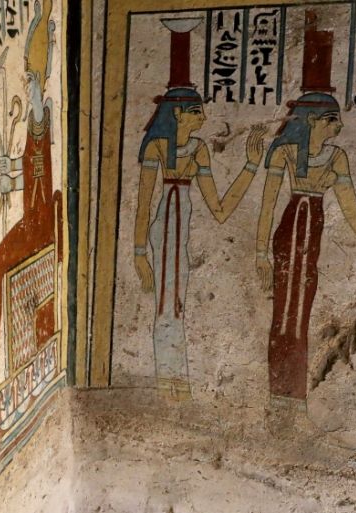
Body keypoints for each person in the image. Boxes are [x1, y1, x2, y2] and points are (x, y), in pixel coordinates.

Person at [256, 91, 356, 402]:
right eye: (333, 120)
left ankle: (292, 399)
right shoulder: (285, 153)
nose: (340, 126)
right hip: (287, 238)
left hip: (311, 243)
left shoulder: (337, 157)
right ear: (312, 121)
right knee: (283, 316)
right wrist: (260, 254)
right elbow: (267, 205)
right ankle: (280, 398)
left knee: (300, 318)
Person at [0, 0, 62, 416]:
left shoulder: (45, 118)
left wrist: (16, 175)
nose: (29, 82)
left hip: (42, 225)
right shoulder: (34, 125)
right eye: (28, 76)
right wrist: (10, 178)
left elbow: (45, 176)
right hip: (32, 219)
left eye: (33, 76)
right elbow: (33, 176)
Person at [135, 87, 266, 399]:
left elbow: (219, 209)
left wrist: (250, 165)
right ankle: (171, 385)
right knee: (167, 308)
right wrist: (139, 254)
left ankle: (175, 385)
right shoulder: (156, 147)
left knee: (175, 307)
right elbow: (143, 204)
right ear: (177, 114)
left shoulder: (199, 149)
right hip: (165, 232)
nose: (203, 118)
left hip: (180, 232)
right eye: (196, 112)